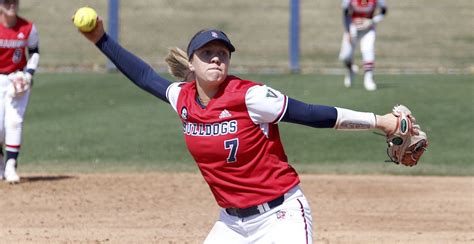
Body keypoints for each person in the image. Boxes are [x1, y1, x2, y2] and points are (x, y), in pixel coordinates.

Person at [77, 16, 407, 243]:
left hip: (281, 216)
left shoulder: (251, 96)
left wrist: (380, 121)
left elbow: (311, 114)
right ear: (191, 63)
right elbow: (144, 76)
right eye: (207, 53)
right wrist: (100, 39)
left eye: (223, 53)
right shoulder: (183, 98)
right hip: (231, 224)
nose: (217, 59)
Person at [0, 0, 40, 183]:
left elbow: (34, 52)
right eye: (6, 1)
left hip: (17, 80)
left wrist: (28, 75)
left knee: (14, 122)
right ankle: (1, 161)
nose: (11, 5)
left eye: (14, 1)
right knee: (0, 128)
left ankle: (10, 165)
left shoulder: (28, 27)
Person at [338, 0, 387, 91]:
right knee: (345, 56)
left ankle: (368, 79)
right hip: (352, 28)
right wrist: (348, 31)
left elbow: (384, 11)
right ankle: (350, 70)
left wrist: (372, 21)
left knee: (368, 50)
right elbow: (345, 13)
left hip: (368, 29)